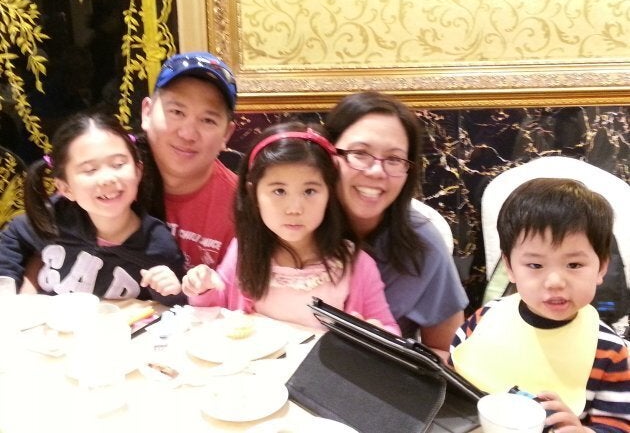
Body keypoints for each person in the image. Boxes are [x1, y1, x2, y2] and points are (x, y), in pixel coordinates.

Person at [181, 122, 400, 334]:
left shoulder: (356, 265)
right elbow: (218, 314)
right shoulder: (244, 251)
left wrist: (378, 335)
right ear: (253, 193)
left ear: (329, 193)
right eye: (279, 191)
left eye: (309, 191)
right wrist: (204, 289)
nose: (294, 209)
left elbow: (390, 333)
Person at [450, 178, 630, 433]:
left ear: (601, 267)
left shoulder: (609, 353)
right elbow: (449, 383)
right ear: (510, 267)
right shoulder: (485, 319)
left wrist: (584, 431)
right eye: (535, 265)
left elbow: (618, 426)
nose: (555, 282)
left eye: (574, 265)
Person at [324, 91, 468, 350]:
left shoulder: (423, 245)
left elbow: (447, 352)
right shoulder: (293, 225)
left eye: (394, 159)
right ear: (329, 153)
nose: (377, 171)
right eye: (360, 153)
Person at [0, 110, 184, 303]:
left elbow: (174, 306)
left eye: (118, 164)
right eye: (90, 170)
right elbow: (13, 238)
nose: (107, 178)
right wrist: (8, 290)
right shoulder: (56, 216)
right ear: (65, 187)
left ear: (138, 171)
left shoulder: (157, 243)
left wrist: (171, 291)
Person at [140, 51, 238, 271]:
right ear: (147, 112)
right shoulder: (110, 179)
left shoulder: (243, 209)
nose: (187, 134)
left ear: (226, 135)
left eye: (207, 120)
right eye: (176, 111)